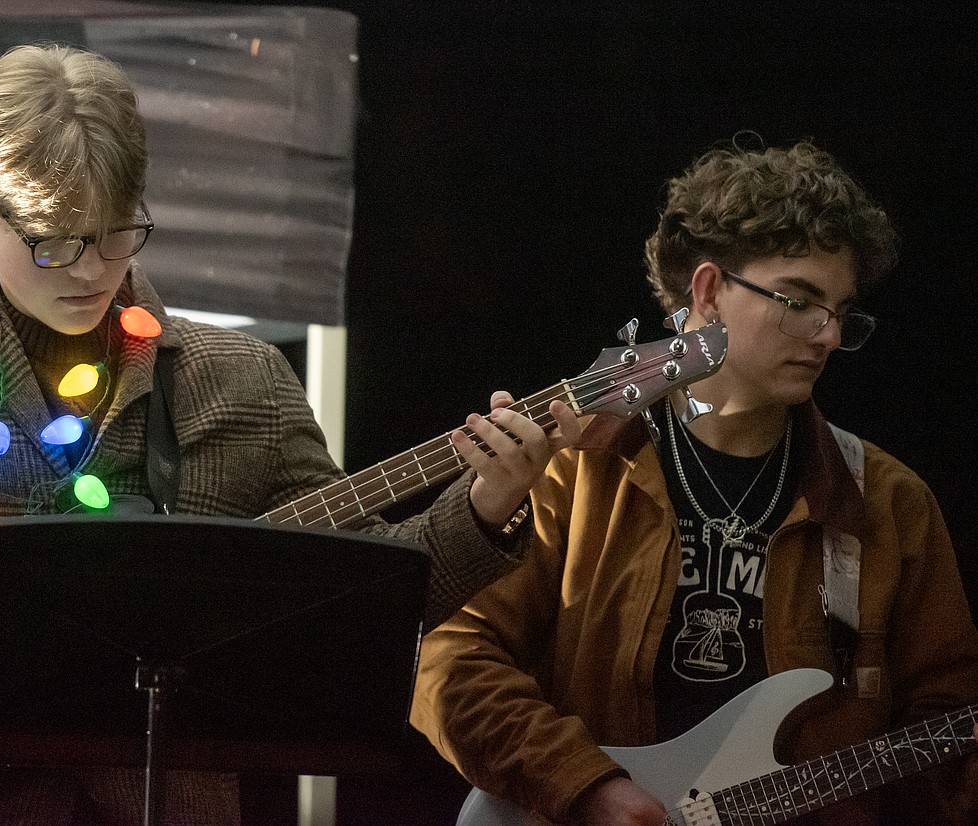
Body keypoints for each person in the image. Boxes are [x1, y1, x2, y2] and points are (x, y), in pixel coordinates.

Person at [0, 44, 587, 824]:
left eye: (116, 233)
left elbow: (373, 600)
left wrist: (488, 508)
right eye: (53, 241)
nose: (89, 270)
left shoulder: (240, 378)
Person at [412, 137, 978, 825]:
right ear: (709, 292)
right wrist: (588, 787)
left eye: (841, 311)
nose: (828, 335)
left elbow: (947, 724)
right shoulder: (574, 467)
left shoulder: (889, 506)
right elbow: (453, 659)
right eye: (800, 301)